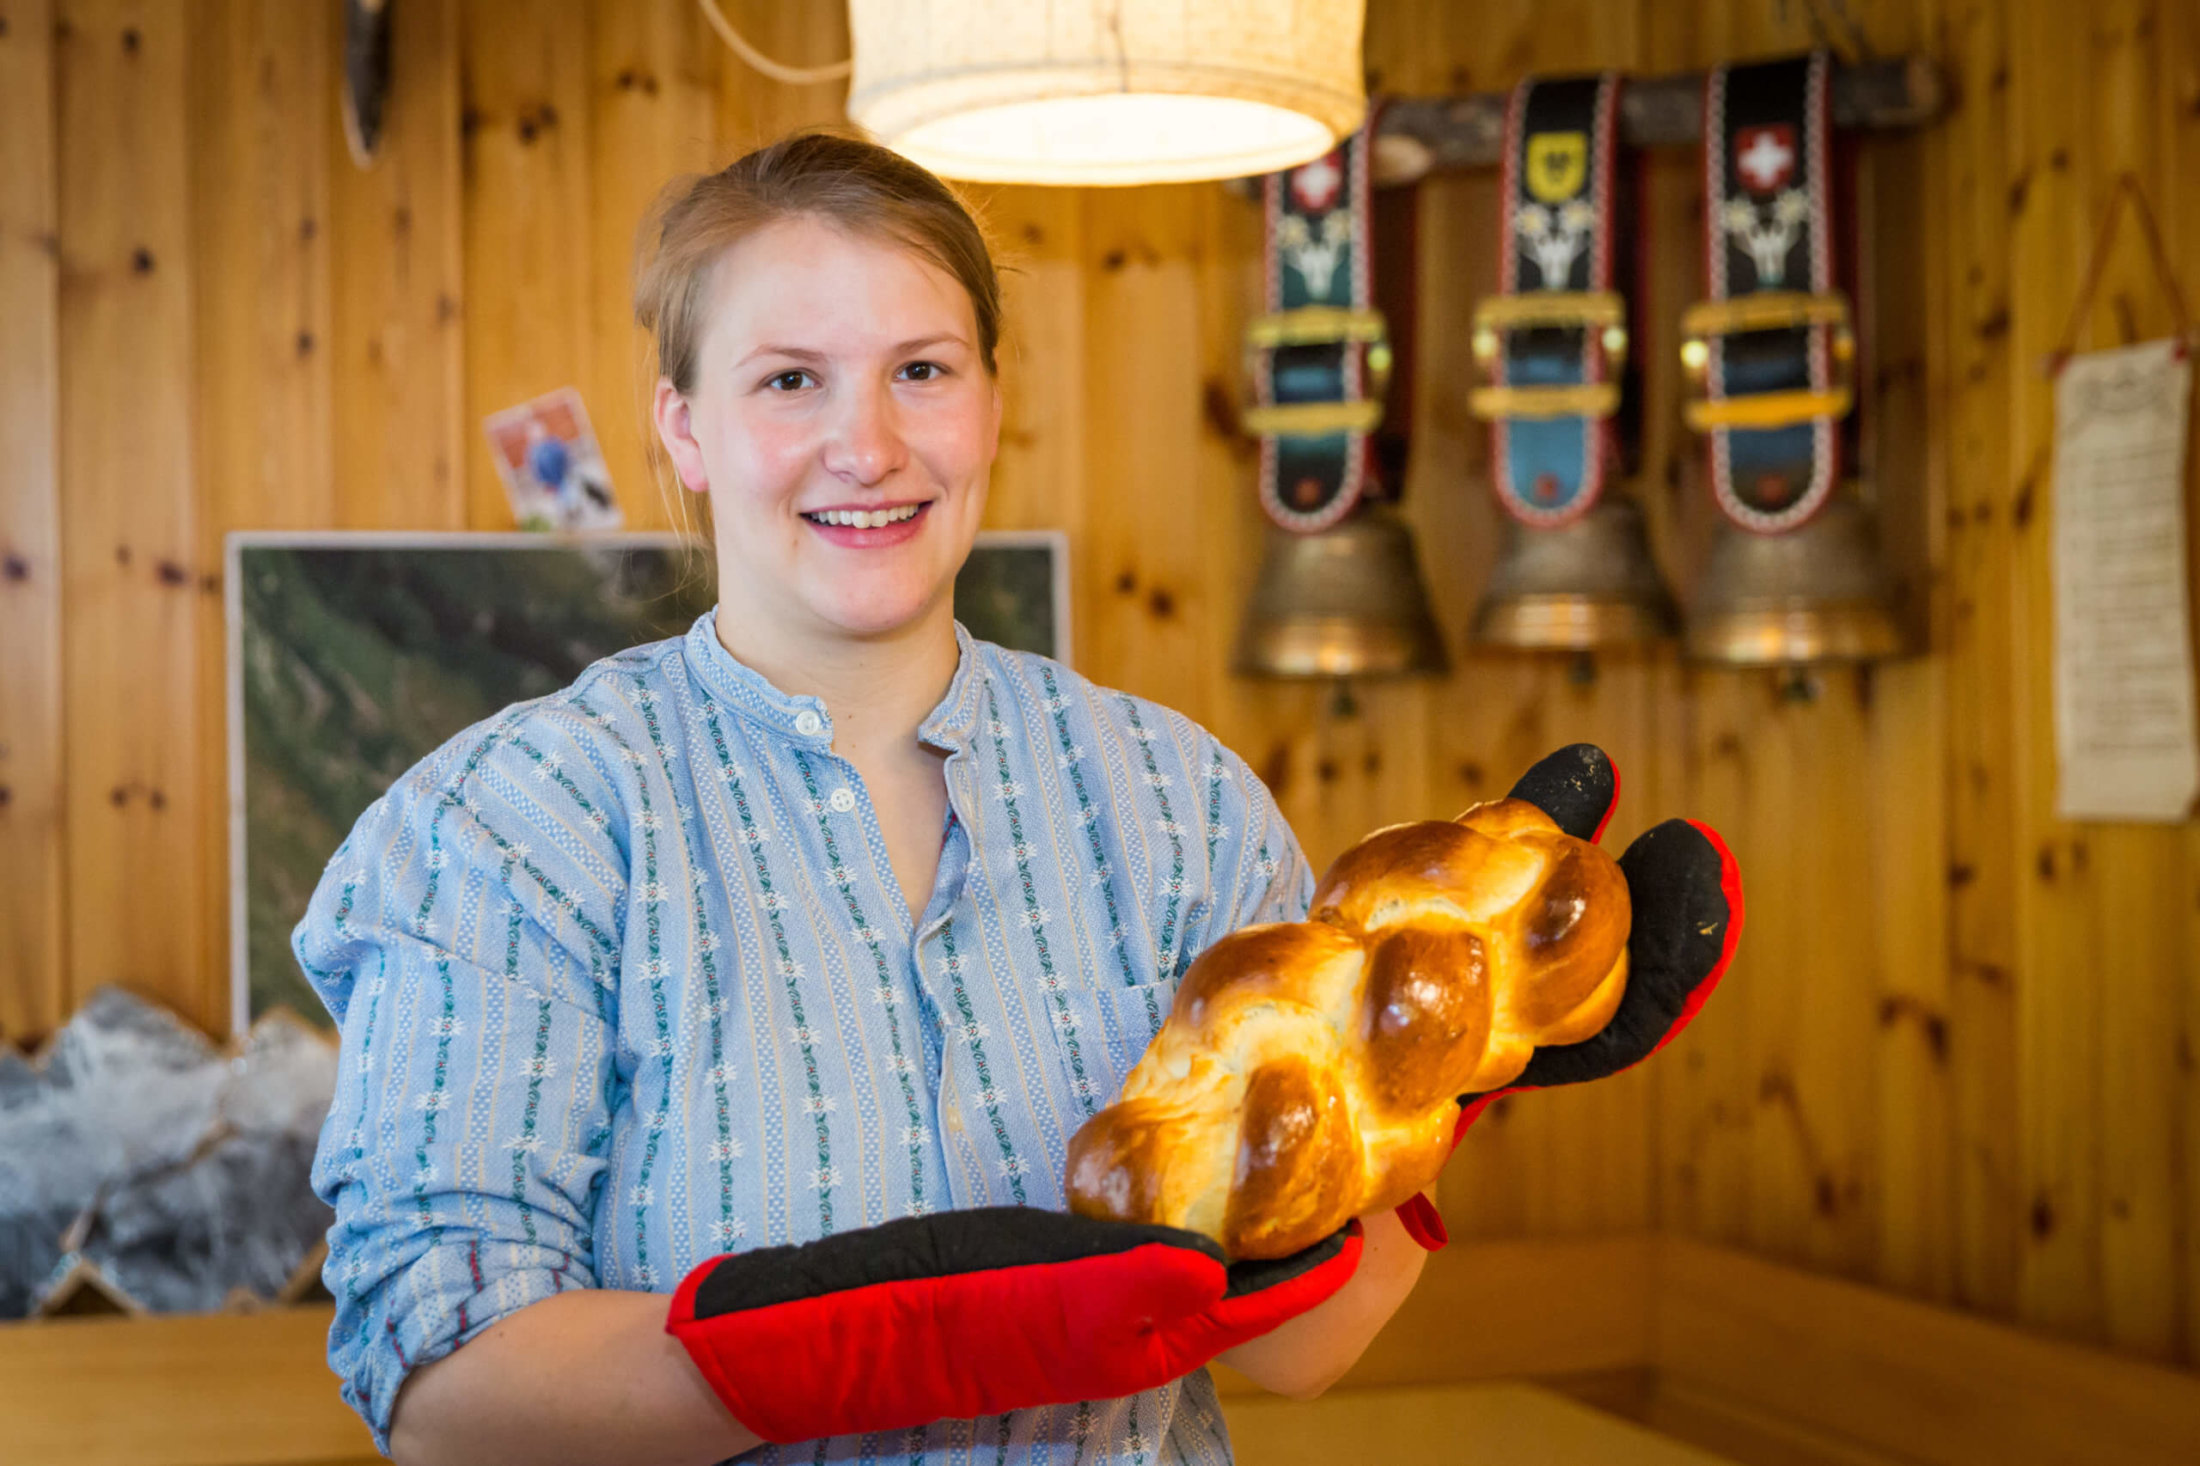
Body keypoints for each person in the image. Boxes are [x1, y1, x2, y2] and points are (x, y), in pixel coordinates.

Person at [294, 131, 1435, 1466]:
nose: (868, 444)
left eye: (922, 371)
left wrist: (1448, 1088)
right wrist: (892, 1347)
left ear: (992, 403)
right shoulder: (514, 825)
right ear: (687, 427)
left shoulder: (1180, 802)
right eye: (791, 379)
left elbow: (1300, 1343)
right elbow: (443, 1391)